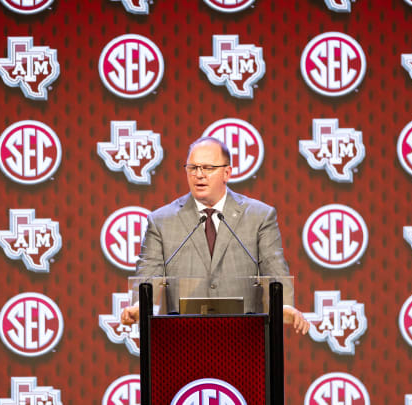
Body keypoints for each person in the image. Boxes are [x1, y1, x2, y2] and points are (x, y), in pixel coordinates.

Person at [120, 137, 309, 334]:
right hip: (181, 337)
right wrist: (139, 306)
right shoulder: (161, 221)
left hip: (244, 336)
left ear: (227, 172)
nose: (199, 175)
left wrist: (284, 305)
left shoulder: (259, 216)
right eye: (193, 168)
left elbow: (274, 269)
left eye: (208, 168)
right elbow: (148, 274)